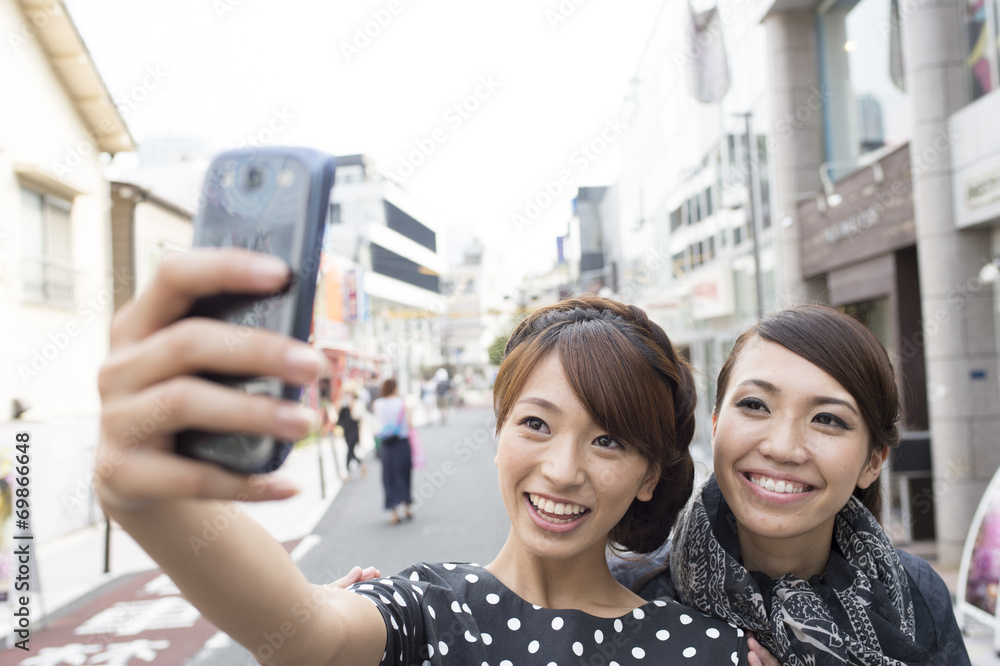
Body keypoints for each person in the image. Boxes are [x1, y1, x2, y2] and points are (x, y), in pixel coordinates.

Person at [93, 250, 778, 666]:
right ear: (500, 429)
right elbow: (303, 633)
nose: (564, 469)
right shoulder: (426, 613)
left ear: (650, 473)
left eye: (609, 441)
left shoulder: (709, 649)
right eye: (536, 424)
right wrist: (148, 501)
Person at [612, 305, 971, 665]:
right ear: (717, 423)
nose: (782, 449)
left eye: (827, 419)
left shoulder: (914, 590)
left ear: (873, 461)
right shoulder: (629, 595)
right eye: (755, 405)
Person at [372, 378, 413, 524]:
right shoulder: (402, 403)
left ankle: (393, 513)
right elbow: (410, 424)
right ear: (395, 388)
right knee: (404, 474)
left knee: (389, 477)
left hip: (386, 444)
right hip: (402, 443)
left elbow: (376, 423)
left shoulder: (377, 404)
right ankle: (407, 507)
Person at [337, 389, 365, 481]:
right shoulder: (343, 407)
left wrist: (352, 405)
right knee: (351, 452)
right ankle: (362, 465)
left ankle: (347, 473)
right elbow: (339, 420)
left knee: (349, 451)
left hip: (354, 431)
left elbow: (357, 417)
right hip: (347, 432)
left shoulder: (356, 405)